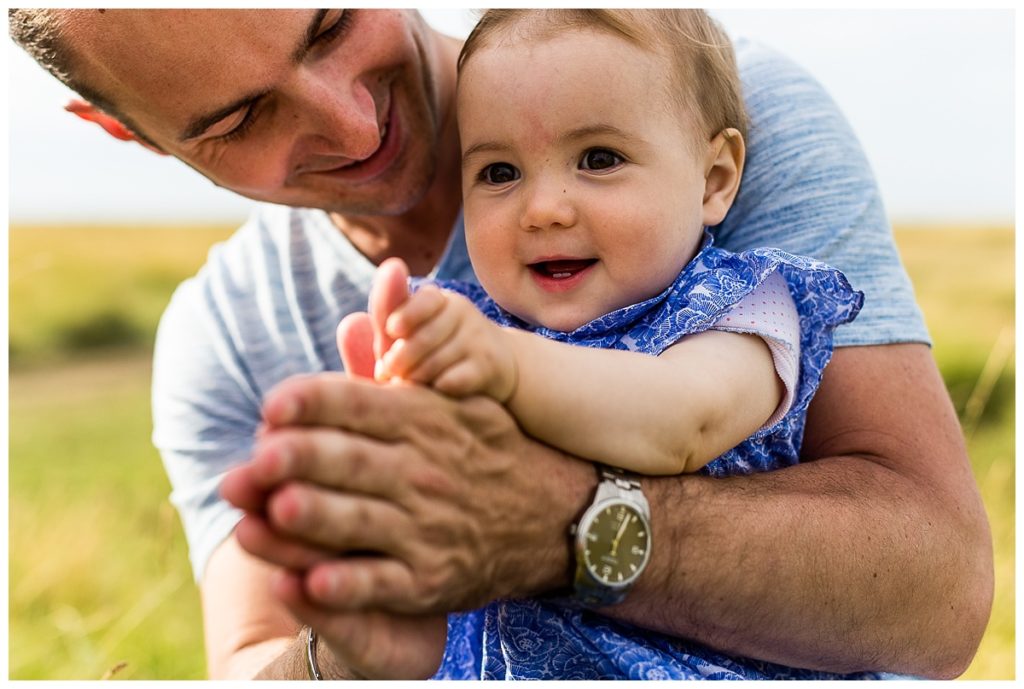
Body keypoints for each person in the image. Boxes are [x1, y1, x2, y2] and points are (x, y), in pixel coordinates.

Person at [8, 8, 992, 681]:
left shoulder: (696, 105)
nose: (350, 122)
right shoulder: (221, 336)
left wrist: (549, 522)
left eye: (333, 23)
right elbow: (256, 658)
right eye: (242, 118)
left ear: (714, 174)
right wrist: (344, 655)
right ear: (122, 129)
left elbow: (940, 596)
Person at [346, 9, 870, 678]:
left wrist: (503, 367)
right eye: (499, 172)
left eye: (599, 159)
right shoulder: (473, 324)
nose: (544, 208)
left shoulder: (737, 308)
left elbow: (682, 420)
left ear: (714, 179)